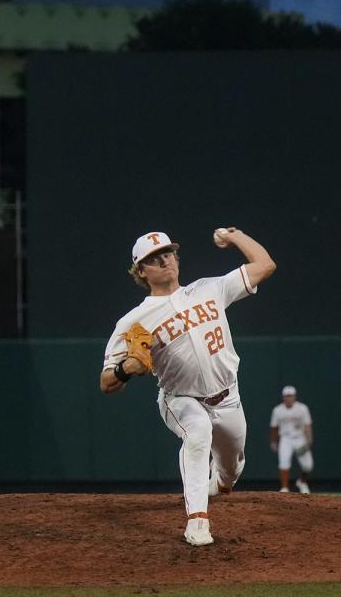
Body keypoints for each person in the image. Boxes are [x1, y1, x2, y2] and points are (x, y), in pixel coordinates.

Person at [99, 229, 276, 547]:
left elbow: (265, 265)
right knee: (198, 432)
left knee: (231, 470)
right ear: (141, 271)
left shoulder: (210, 288)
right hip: (179, 399)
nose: (165, 259)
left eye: (168, 253)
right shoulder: (133, 321)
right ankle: (197, 521)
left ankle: (220, 480)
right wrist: (126, 369)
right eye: (154, 258)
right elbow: (106, 383)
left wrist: (235, 236)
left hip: (228, 396)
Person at [269, 385, 314, 494]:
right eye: (286, 396)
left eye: (291, 396)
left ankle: (302, 482)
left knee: (308, 465)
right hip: (286, 438)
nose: (289, 398)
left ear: (295, 397)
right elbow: (274, 427)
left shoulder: (302, 408)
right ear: (283, 397)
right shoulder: (278, 410)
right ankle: (285, 487)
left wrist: (309, 440)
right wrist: (274, 441)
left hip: (300, 438)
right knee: (284, 462)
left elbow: (307, 425)